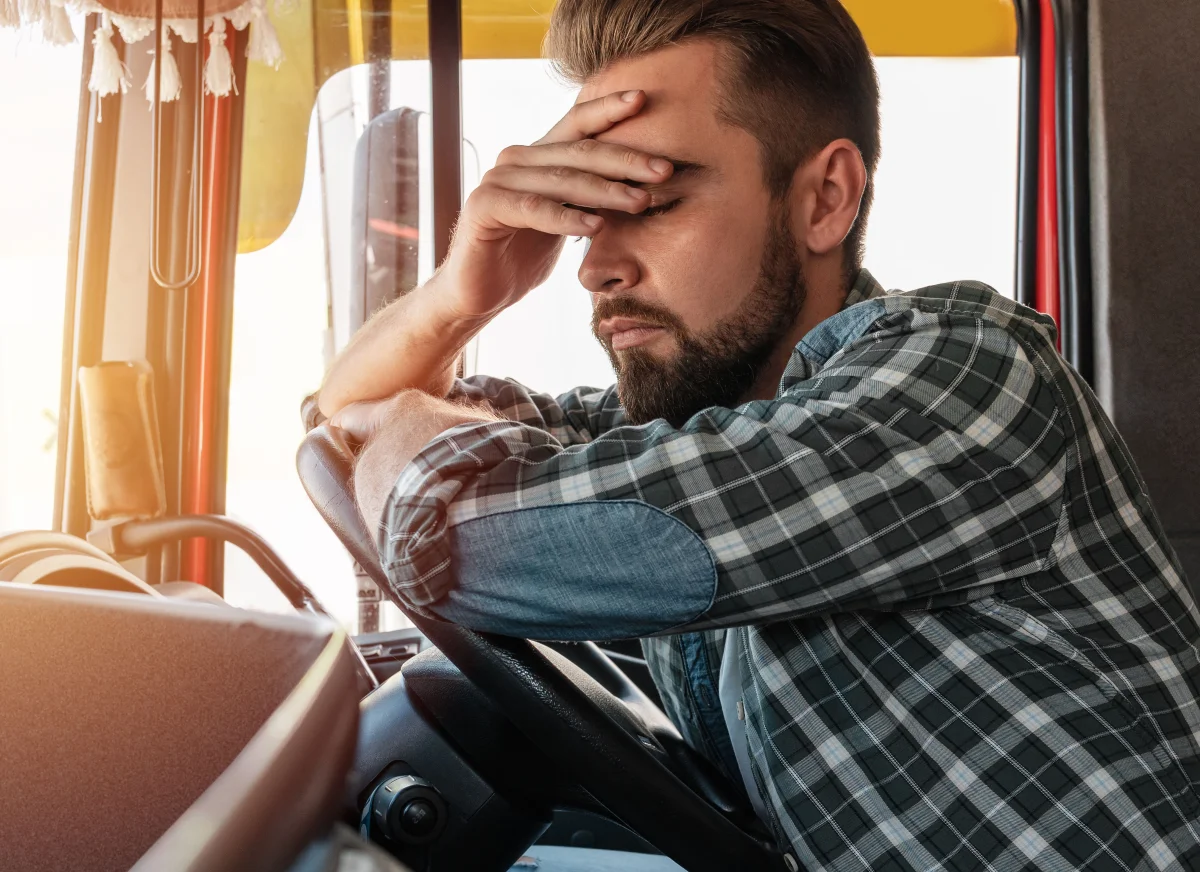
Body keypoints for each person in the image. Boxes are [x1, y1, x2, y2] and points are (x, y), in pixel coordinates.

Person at [318, 0, 1200, 868]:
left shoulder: (967, 375)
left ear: (824, 199)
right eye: (586, 205)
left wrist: (412, 440)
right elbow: (347, 428)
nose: (592, 265)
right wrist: (463, 296)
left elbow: (464, 531)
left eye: (650, 199)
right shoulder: (696, 426)